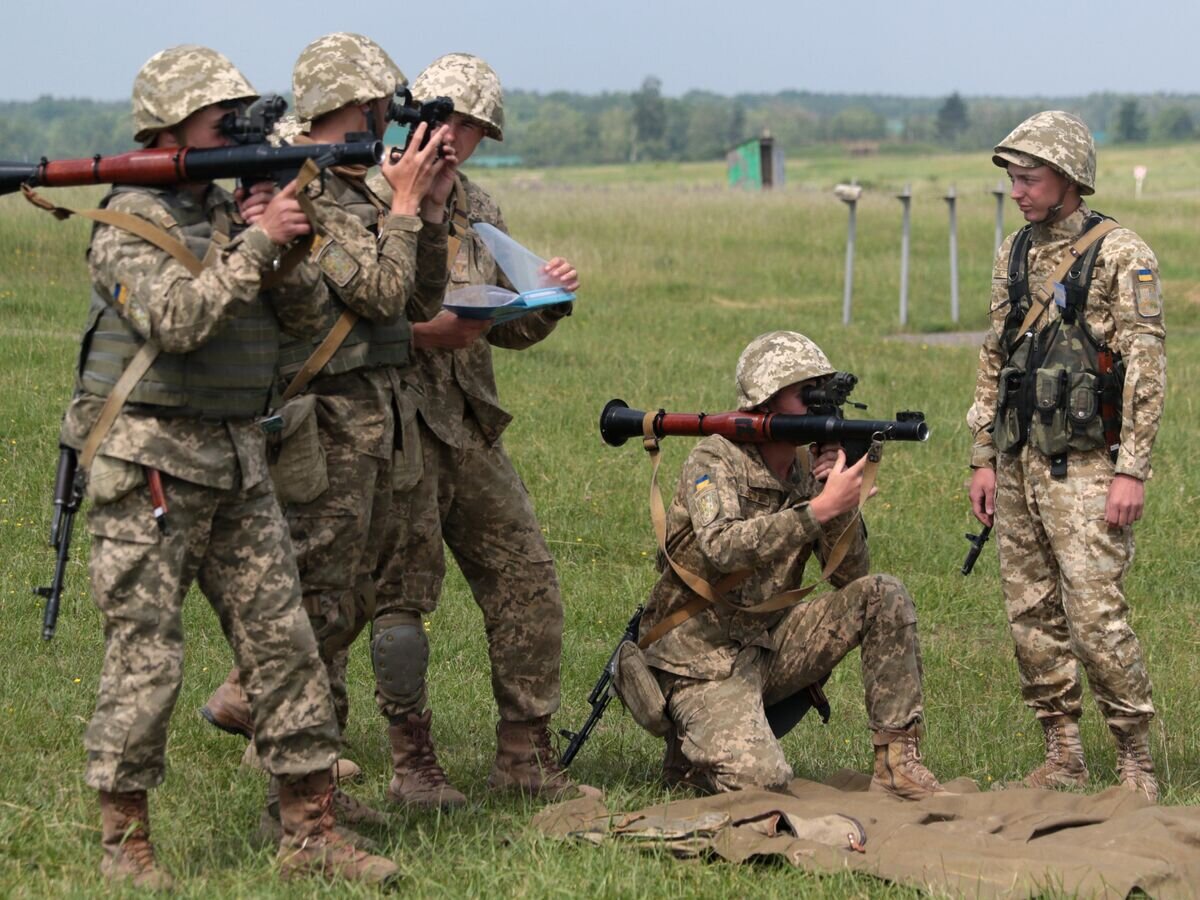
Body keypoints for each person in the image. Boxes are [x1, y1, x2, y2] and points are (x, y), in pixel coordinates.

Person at [59, 45, 399, 885]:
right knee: (150, 658)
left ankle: (310, 831)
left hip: (240, 458)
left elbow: (300, 319)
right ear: (170, 128)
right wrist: (253, 245)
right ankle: (125, 845)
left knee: (285, 649)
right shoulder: (126, 224)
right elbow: (178, 320)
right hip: (151, 470)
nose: (241, 136)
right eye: (225, 124)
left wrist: (280, 243)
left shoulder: (225, 212)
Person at [198, 31, 466, 834]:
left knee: (346, 604)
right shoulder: (301, 193)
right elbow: (379, 294)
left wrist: (432, 203)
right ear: (346, 105)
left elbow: (419, 303)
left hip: (376, 422)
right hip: (327, 425)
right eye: (376, 106)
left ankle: (316, 786)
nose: (388, 119)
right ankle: (295, 796)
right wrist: (409, 205)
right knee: (316, 606)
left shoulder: (357, 191)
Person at [367, 53, 580, 807]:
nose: (456, 138)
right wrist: (431, 335)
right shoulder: (368, 193)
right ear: (413, 114)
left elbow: (503, 330)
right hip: (388, 429)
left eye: (474, 128)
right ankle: (411, 765)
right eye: (447, 119)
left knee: (527, 579)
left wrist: (545, 299)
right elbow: (343, 319)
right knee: (398, 598)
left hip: (468, 426)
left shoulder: (477, 206)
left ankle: (524, 757)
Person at [634, 331, 944, 799]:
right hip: (700, 658)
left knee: (883, 594)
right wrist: (816, 512)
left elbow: (850, 578)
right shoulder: (713, 459)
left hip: (767, 642)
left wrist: (837, 505)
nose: (821, 409)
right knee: (764, 785)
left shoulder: (805, 467)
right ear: (766, 403)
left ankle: (898, 764)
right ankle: (690, 747)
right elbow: (721, 548)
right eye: (808, 395)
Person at [966, 111, 1165, 802]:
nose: (1018, 191)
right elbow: (995, 357)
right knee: (1031, 614)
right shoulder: (1015, 252)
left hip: (1087, 467)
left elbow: (1145, 365)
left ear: (1069, 177)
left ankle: (1135, 760)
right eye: (1014, 179)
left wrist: (1131, 468)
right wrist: (982, 457)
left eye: (1030, 177)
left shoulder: (1121, 252)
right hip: (1020, 462)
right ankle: (1062, 754)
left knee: (1095, 617)